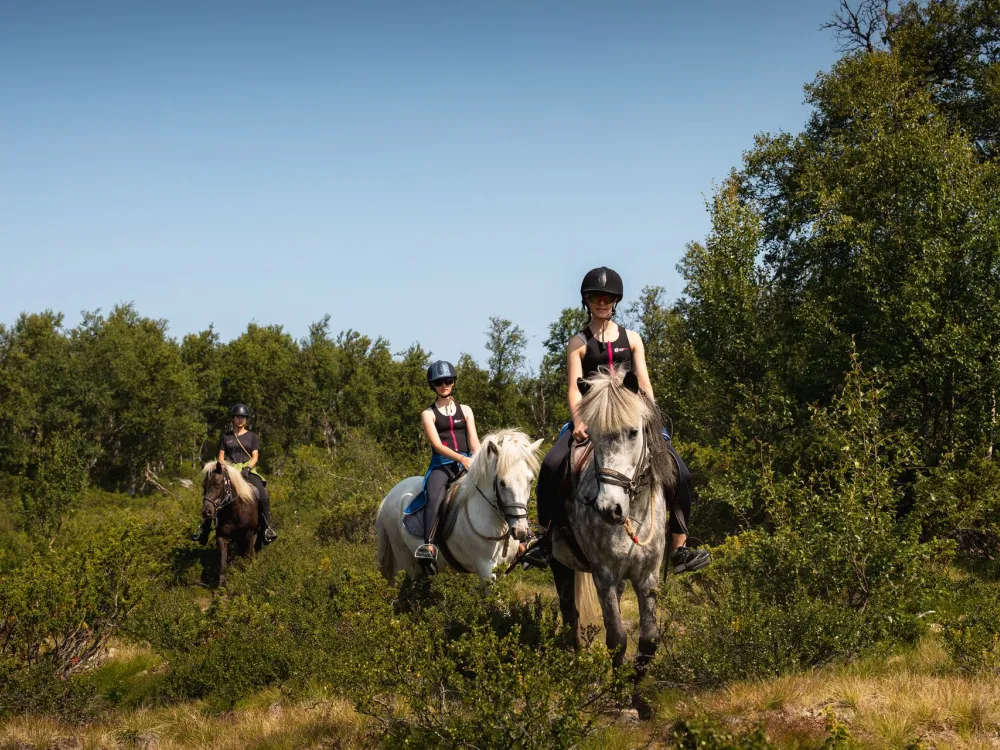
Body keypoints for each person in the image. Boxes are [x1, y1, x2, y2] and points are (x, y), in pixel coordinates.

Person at [523, 266, 710, 573]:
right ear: (587, 300)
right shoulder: (578, 343)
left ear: (615, 302)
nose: (602, 302)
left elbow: (645, 384)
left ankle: (679, 548)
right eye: (597, 297)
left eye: (608, 298)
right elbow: (573, 388)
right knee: (551, 465)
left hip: (631, 423)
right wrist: (579, 421)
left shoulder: (633, 339)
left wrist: (649, 417)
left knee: (681, 472)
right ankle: (545, 540)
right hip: (592, 422)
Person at [414, 360, 481, 570]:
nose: (444, 385)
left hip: (468, 462)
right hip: (442, 465)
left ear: (453, 382)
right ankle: (429, 547)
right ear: (432, 385)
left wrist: (478, 459)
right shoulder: (428, 414)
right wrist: (461, 459)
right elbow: (436, 444)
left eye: (448, 380)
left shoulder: (467, 410)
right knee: (434, 497)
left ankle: (521, 539)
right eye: (439, 382)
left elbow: (474, 441)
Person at [192, 403, 278, 544]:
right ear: (233, 419)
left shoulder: (252, 437)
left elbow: (255, 456)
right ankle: (204, 529)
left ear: (246, 420)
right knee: (213, 492)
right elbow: (221, 457)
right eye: (238, 417)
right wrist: (229, 469)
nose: (240, 419)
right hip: (230, 471)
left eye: (243, 417)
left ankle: (266, 529)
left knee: (263, 494)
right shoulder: (226, 437)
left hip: (247, 470)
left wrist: (248, 468)